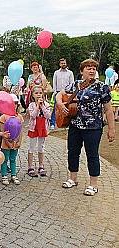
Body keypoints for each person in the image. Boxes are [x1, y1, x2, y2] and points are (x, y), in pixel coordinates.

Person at [57, 59, 115, 196]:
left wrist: (112, 129)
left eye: (94, 68)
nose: (91, 70)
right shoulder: (76, 84)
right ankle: (73, 178)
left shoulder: (102, 87)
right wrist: (60, 104)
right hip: (75, 126)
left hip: (93, 127)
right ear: (82, 71)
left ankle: (93, 184)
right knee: (73, 152)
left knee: (92, 155)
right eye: (88, 68)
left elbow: (108, 110)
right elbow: (60, 93)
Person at [0, 94, 24, 185]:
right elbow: (3, 132)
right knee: (4, 160)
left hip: (15, 143)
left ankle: (13, 175)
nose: (14, 105)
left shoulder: (19, 117)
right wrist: (7, 142)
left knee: (13, 159)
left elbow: (20, 131)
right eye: (11, 103)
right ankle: (4, 175)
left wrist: (19, 142)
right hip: (6, 144)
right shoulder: (4, 117)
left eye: (16, 103)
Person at [27, 85, 51, 177]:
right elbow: (33, 116)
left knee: (41, 147)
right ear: (32, 95)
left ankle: (41, 166)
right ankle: (30, 166)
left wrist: (42, 106)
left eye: (40, 93)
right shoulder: (31, 105)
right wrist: (37, 106)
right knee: (31, 147)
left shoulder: (47, 105)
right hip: (34, 127)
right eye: (36, 93)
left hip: (43, 127)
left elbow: (48, 116)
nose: (38, 95)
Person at [50, 58, 75, 129]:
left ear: (66, 63)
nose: (63, 64)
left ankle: (67, 123)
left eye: (64, 63)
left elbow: (72, 83)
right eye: (62, 63)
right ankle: (52, 123)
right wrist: (54, 92)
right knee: (56, 108)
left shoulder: (70, 73)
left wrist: (71, 93)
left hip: (67, 93)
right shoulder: (56, 72)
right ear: (59, 64)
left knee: (68, 108)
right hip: (58, 92)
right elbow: (54, 82)